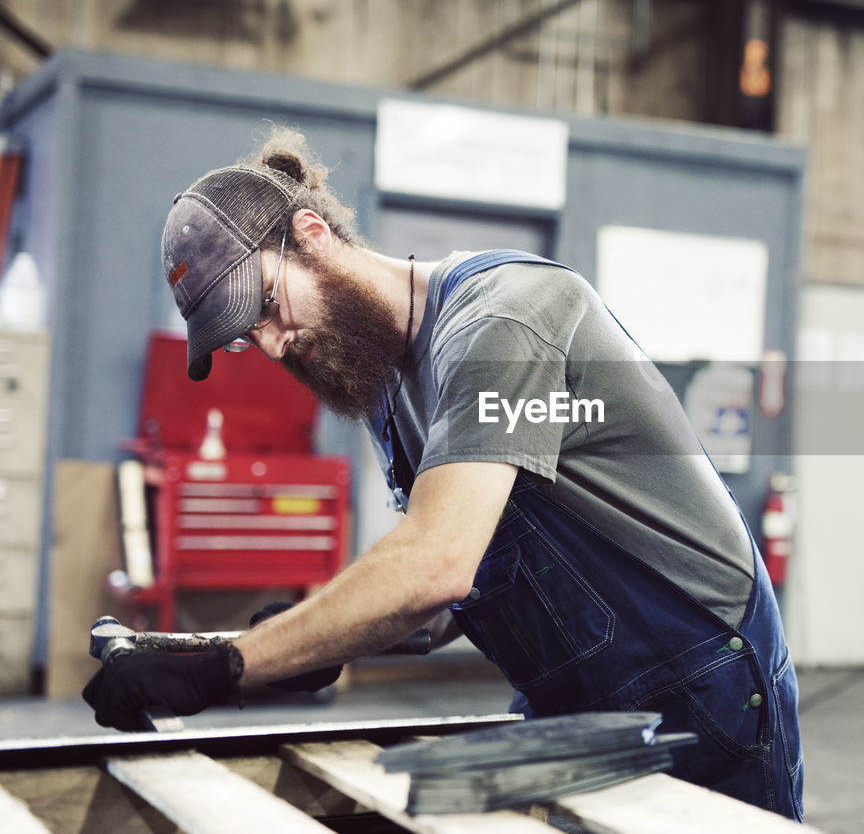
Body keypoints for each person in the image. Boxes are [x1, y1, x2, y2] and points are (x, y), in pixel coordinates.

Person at [82, 128, 803, 820]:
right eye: (246, 337)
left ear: (311, 233)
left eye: (267, 305)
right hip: (580, 700)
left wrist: (231, 667)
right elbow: (450, 602)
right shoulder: (386, 392)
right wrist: (290, 642)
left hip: (701, 679)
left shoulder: (504, 322)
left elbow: (437, 564)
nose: (272, 344)